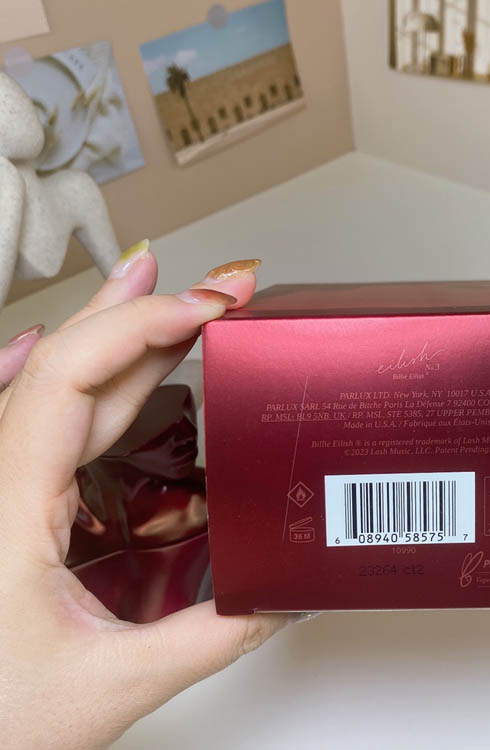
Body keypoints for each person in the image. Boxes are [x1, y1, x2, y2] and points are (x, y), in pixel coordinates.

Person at [0, 241, 301, 748]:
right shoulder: (74, 523)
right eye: (165, 431)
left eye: (186, 419)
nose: (184, 432)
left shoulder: (210, 499)